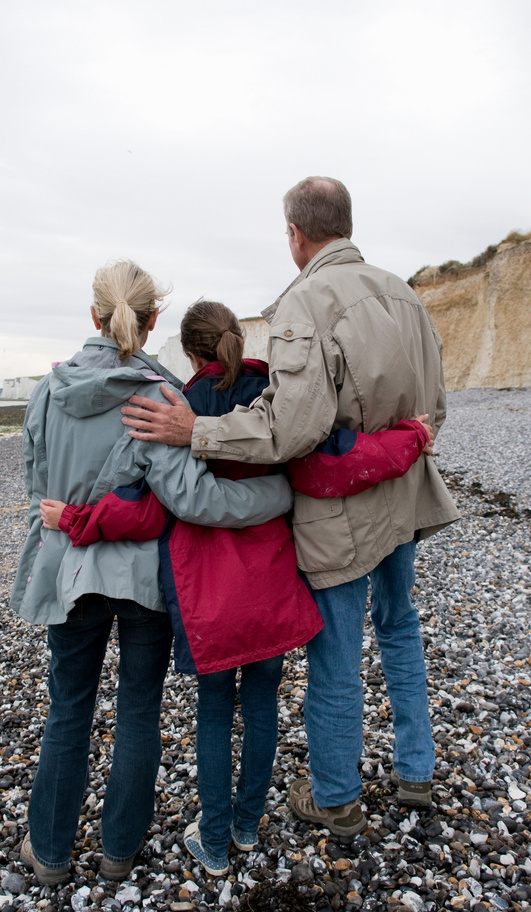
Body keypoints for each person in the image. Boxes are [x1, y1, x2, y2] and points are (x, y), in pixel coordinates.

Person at [40, 299, 433, 872]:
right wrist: (411, 437)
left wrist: (72, 520)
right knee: (264, 703)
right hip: (272, 583)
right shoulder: (274, 398)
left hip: (210, 594)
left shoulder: (180, 406)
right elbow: (330, 460)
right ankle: (248, 827)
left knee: (217, 711)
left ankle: (216, 841)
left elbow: (148, 512)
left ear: (190, 348)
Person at [120, 177, 460, 836]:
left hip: (343, 516)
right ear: (346, 223)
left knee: (336, 652)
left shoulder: (305, 301)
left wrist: (199, 433)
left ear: (295, 235)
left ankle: (335, 795)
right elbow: (435, 408)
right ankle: (415, 769)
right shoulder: (406, 295)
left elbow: (291, 428)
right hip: (406, 496)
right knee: (397, 627)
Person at [10, 261, 295, 885]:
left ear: (94, 315)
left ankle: (52, 855)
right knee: (138, 710)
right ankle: (118, 854)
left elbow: (38, 486)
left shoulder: (47, 390)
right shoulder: (163, 396)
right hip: (143, 582)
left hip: (67, 573)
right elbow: (192, 501)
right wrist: (280, 497)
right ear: (152, 319)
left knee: (68, 709)